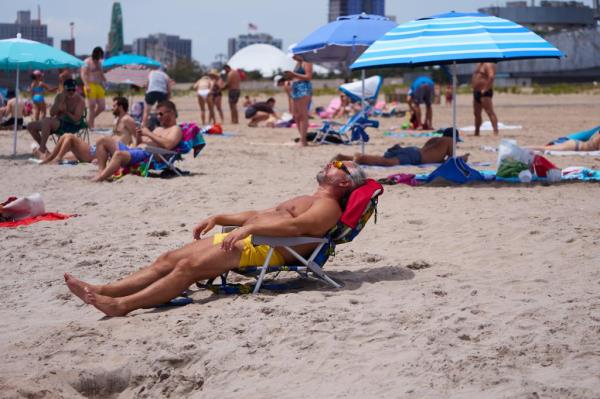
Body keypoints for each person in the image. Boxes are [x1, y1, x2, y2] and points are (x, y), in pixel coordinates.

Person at [64, 160, 367, 316]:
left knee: (188, 269)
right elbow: (260, 213)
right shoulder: (308, 196)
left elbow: (296, 229)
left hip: (269, 249)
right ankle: (105, 289)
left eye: (339, 165)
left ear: (343, 181)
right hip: (251, 237)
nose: (331, 163)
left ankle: (122, 305)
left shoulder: (327, 206)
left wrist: (247, 230)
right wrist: (221, 218)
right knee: (169, 259)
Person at [91, 100, 182, 182]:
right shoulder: (158, 129)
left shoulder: (175, 129)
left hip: (146, 155)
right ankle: (101, 172)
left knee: (119, 154)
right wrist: (139, 136)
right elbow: (140, 144)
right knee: (102, 140)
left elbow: (168, 145)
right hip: (135, 151)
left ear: (172, 113)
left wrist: (149, 133)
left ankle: (101, 178)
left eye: (161, 114)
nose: (158, 117)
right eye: (157, 114)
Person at [39, 96, 137, 164]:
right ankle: (50, 157)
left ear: (120, 107)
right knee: (66, 142)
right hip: (98, 150)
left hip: (101, 153)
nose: (112, 108)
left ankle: (55, 159)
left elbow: (135, 138)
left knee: (69, 137)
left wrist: (109, 158)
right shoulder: (118, 120)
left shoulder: (128, 120)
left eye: (114, 106)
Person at [333, 128, 468, 166]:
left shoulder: (435, 139)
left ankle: (343, 157)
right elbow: (452, 161)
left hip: (413, 150)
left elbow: (433, 156)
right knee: (387, 162)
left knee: (384, 159)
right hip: (416, 157)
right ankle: (361, 157)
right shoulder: (449, 141)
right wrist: (463, 158)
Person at [27, 79, 85, 157]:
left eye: (73, 89)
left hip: (71, 125)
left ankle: (42, 149)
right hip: (58, 122)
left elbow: (76, 119)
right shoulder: (59, 96)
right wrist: (58, 107)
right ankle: (45, 150)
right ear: (64, 89)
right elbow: (52, 113)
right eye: (69, 90)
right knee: (30, 126)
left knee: (47, 121)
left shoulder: (79, 100)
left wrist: (65, 112)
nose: (71, 92)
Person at [285, 54, 313, 146]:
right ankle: (302, 137)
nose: (292, 57)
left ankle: (303, 140)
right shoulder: (298, 63)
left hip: (303, 88)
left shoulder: (307, 61)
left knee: (302, 114)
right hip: (296, 88)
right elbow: (297, 76)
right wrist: (290, 78)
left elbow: (308, 76)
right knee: (296, 115)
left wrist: (293, 74)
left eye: (293, 55)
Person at [81, 47, 107, 129]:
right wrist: (86, 85)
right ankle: (91, 125)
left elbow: (101, 73)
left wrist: (105, 80)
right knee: (92, 106)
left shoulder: (99, 63)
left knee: (102, 107)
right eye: (98, 57)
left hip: (98, 85)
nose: (99, 59)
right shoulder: (87, 62)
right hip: (90, 85)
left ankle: (89, 121)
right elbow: (83, 74)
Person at [472, 62, 499, 136]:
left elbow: (491, 76)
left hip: (484, 92)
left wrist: (486, 89)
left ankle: (495, 131)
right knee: (476, 113)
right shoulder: (478, 64)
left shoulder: (488, 64)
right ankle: (476, 131)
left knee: (489, 112)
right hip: (476, 92)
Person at [528, 127, 600, 152]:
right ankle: (521, 148)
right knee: (544, 149)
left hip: (574, 143)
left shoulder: (597, 131)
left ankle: (521, 148)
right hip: (575, 145)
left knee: (543, 149)